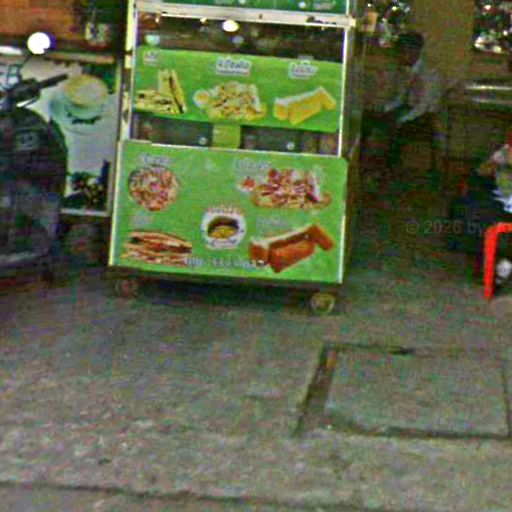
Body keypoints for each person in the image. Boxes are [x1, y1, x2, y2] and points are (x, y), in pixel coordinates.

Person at [383, 31, 443, 173]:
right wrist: (386, 109)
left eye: (402, 52)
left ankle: (390, 169)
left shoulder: (429, 73)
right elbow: (402, 96)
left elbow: (423, 106)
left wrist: (402, 119)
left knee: (394, 128)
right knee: (375, 119)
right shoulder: (407, 71)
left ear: (413, 51)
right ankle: (384, 166)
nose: (399, 57)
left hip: (424, 117)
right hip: (409, 109)